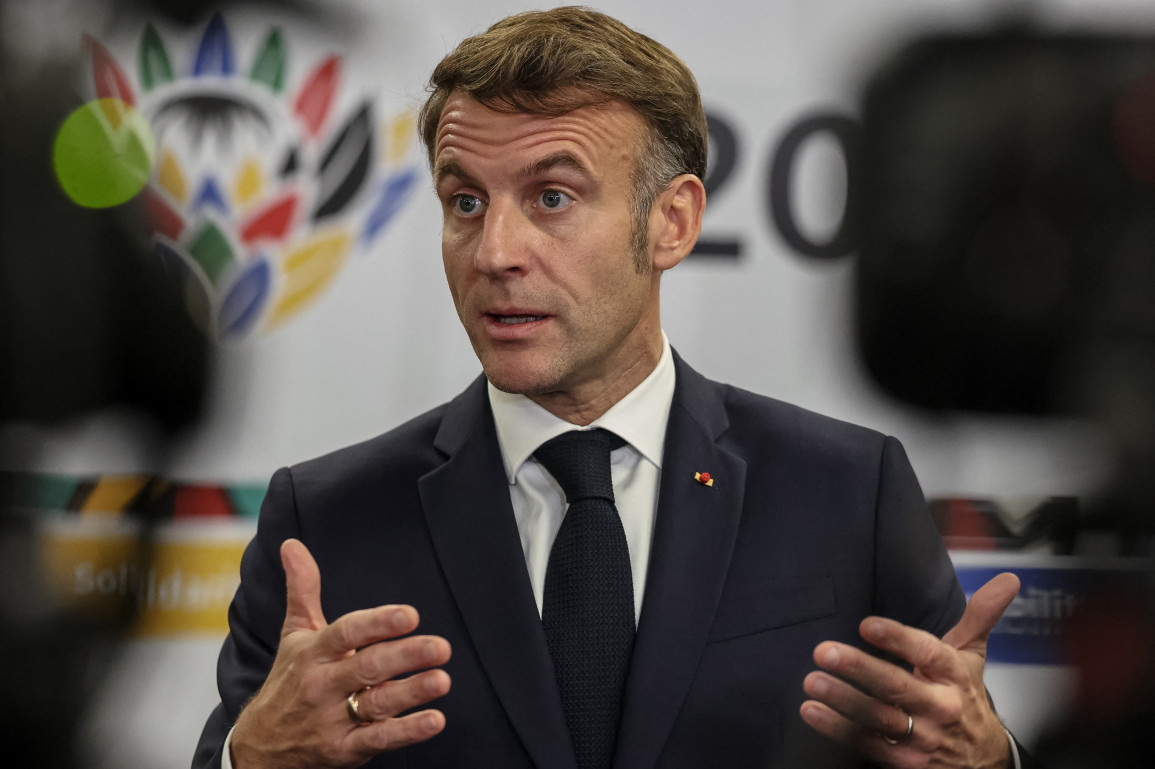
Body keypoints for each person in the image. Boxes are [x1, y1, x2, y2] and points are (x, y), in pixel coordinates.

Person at [194, 7, 1034, 769]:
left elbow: (948, 739)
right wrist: (252, 759)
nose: (494, 252)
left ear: (672, 221)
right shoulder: (325, 522)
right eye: (465, 201)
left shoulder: (848, 491)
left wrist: (988, 759)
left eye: (552, 197)